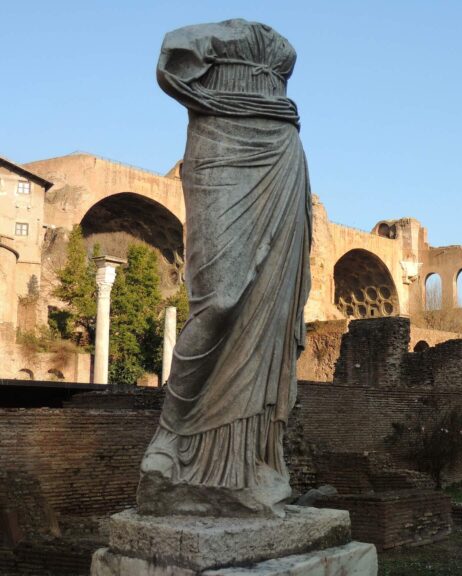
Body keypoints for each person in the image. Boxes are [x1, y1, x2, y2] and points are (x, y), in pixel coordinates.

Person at [137, 19, 311, 517]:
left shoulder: (280, 47)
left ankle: (249, 464)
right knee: (220, 299)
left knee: (271, 312)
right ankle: (171, 437)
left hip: (280, 150)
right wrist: (217, 100)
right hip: (219, 142)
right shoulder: (215, 34)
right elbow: (171, 56)